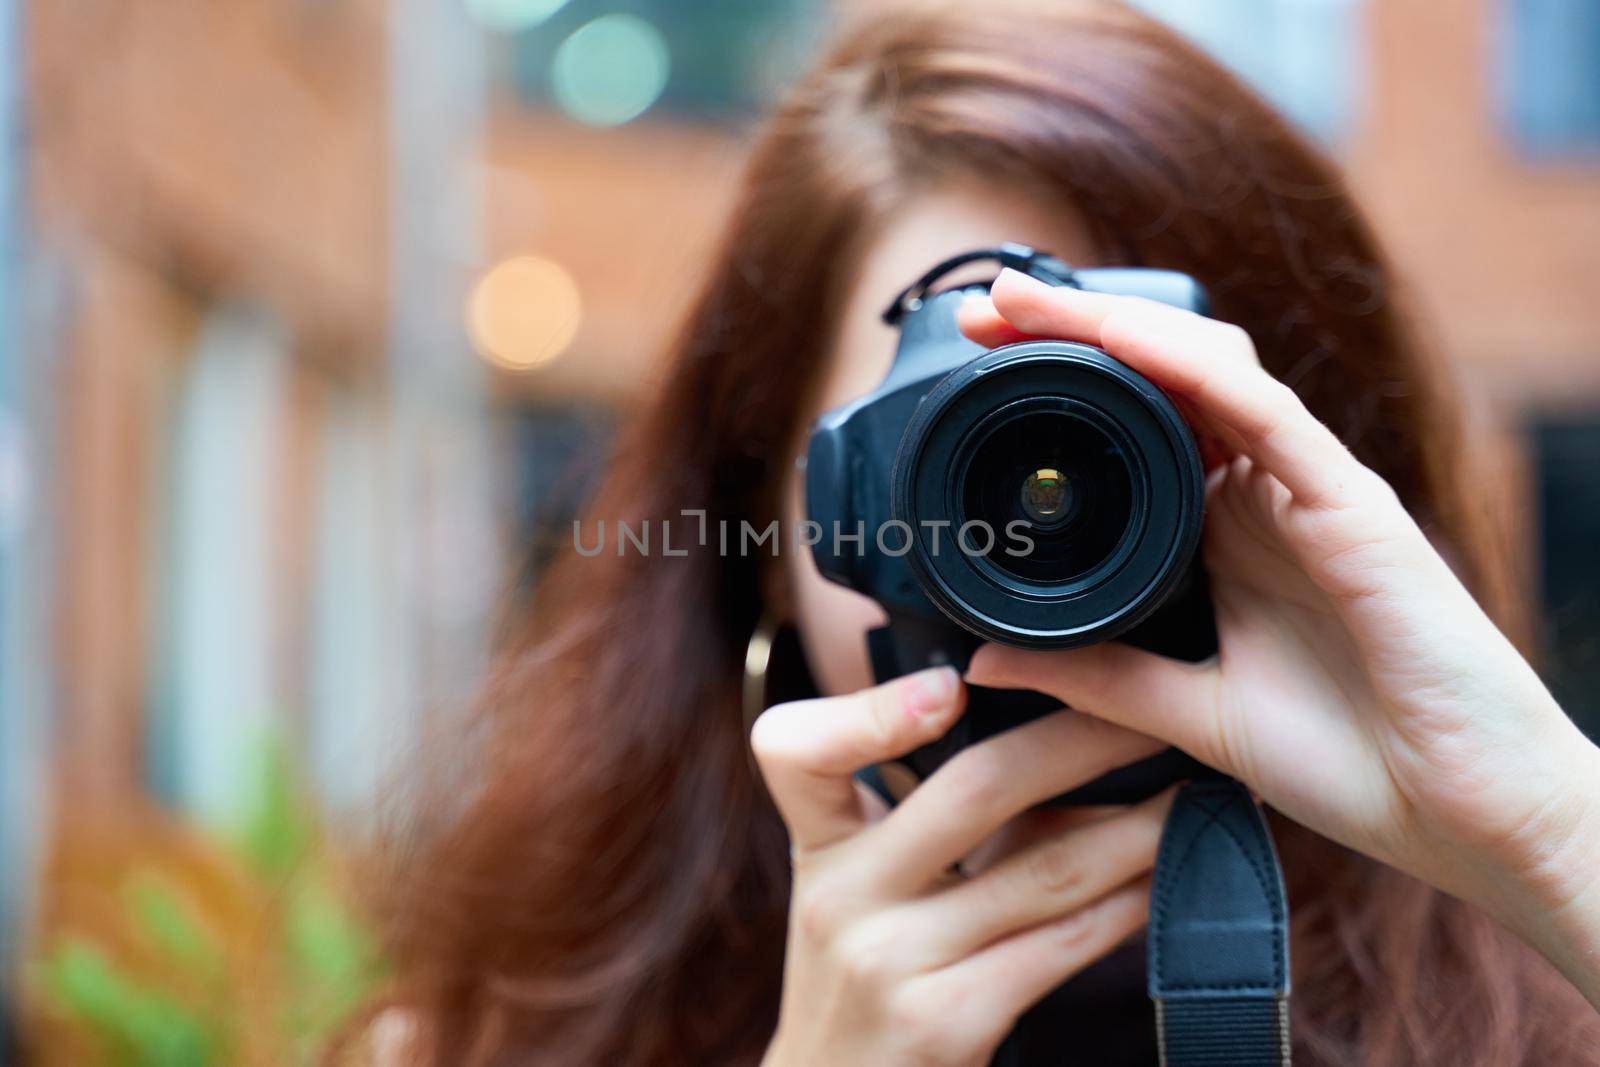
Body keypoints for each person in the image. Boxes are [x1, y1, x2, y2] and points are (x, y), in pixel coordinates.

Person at [362, 2, 1600, 1064]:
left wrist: (1552, 841)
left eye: (1150, 452)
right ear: (779, 531)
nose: (1039, 544)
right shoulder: (483, 1036)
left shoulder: (1543, 1006)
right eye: (939, 449)